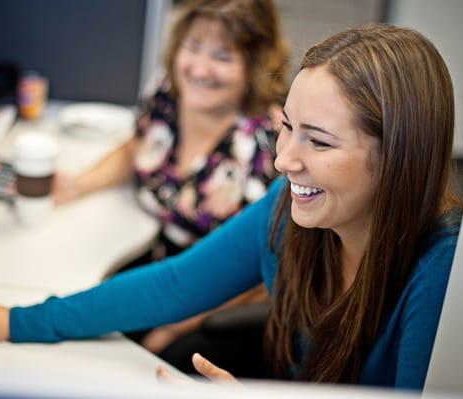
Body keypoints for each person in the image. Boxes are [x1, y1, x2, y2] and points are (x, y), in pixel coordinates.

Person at [0, 23, 462, 390]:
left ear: (399, 158)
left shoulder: (441, 274)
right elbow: (174, 284)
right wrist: (17, 321)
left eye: (318, 142)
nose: (282, 162)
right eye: (287, 129)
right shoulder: (286, 212)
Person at [52, 0, 289, 363]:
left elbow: (262, 278)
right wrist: (77, 185)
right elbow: (139, 145)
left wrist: (174, 327)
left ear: (253, 65)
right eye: (192, 47)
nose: (198, 68)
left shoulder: (270, 147)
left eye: (222, 57)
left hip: (217, 299)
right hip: (161, 264)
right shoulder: (168, 92)